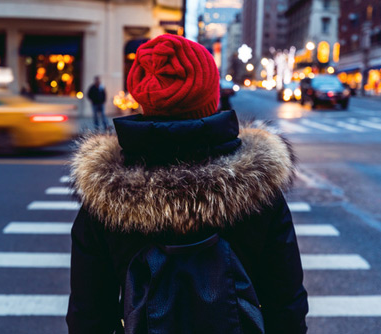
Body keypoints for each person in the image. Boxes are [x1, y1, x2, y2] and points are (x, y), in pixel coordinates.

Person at [67, 34, 308, 334]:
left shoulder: (105, 195)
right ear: (211, 96)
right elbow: (286, 304)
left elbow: (88, 314)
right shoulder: (259, 188)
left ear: (144, 96)